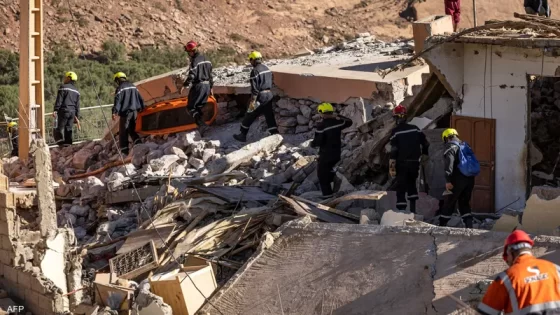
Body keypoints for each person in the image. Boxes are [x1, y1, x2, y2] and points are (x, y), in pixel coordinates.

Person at [478, 230, 560, 315]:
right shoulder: (555, 269)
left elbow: (486, 312)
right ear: (529, 248)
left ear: (509, 252)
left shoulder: (506, 278)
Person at [389, 104, 429, 213]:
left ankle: (401, 212)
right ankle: (413, 211)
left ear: (396, 118)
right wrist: (425, 154)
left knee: (401, 187)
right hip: (414, 163)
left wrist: (392, 167)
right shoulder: (415, 129)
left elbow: (394, 151)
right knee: (412, 185)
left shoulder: (395, 132)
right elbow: (425, 143)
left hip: (401, 164)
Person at [233, 51, 278, 142]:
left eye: (250, 60)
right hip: (269, 95)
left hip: (260, 96)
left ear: (252, 60)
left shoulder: (255, 71)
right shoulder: (267, 68)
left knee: (249, 114)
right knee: (269, 115)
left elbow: (255, 89)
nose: (250, 62)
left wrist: (252, 101)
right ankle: (274, 134)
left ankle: (242, 135)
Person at [310, 103, 352, 198]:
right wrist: (337, 116)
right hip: (336, 153)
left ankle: (328, 197)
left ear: (322, 113)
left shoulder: (321, 126)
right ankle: (335, 187)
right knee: (330, 170)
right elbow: (349, 121)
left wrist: (311, 144)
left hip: (326, 155)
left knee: (322, 176)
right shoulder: (338, 122)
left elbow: (318, 142)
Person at [439, 128, 476, 228]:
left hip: (457, 179)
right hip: (470, 179)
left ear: (446, 138)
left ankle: (441, 226)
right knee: (464, 202)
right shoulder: (465, 145)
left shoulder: (450, 146)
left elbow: (449, 165)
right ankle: (469, 225)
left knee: (449, 202)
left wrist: (448, 180)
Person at [180, 41, 213, 136]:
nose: (188, 54)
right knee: (198, 107)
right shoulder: (207, 59)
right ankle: (203, 126)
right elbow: (210, 75)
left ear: (191, 51)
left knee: (190, 107)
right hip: (207, 86)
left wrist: (185, 85)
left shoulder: (195, 61)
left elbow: (192, 75)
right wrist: (211, 87)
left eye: (188, 52)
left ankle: (202, 125)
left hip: (199, 86)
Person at [111, 72, 145, 156]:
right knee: (132, 129)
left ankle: (124, 151)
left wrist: (114, 112)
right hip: (135, 112)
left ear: (117, 80)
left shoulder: (120, 88)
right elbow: (140, 98)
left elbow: (117, 101)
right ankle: (138, 143)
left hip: (126, 113)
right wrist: (142, 108)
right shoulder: (133, 86)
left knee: (123, 131)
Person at [53, 71, 80, 146]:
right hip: (72, 112)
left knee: (58, 128)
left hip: (64, 111)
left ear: (69, 78)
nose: (64, 79)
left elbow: (59, 100)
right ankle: (68, 145)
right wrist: (77, 116)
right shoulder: (76, 91)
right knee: (68, 129)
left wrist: (55, 110)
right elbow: (77, 105)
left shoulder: (63, 88)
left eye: (65, 77)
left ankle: (61, 145)